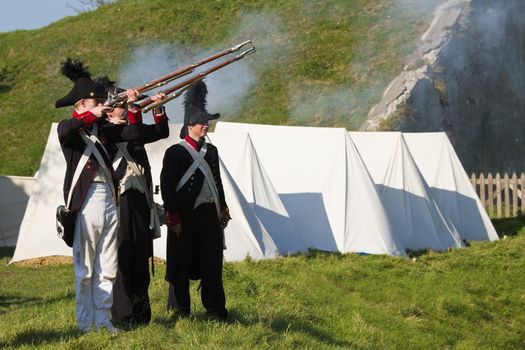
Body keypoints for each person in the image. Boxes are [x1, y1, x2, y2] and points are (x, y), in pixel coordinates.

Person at [56, 58, 141, 334]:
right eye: (95, 102)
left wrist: (131, 105)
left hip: (109, 200)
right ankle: (85, 324)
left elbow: (134, 132)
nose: (100, 105)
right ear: (81, 105)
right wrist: (95, 115)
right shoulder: (69, 129)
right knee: (85, 270)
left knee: (108, 265)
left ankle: (103, 320)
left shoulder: (102, 130)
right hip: (87, 201)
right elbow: (69, 128)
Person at [97, 77, 170, 327]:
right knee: (122, 257)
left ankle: (141, 312)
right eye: (121, 104)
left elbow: (161, 132)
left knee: (140, 255)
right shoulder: (104, 130)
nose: (126, 108)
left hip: (140, 202)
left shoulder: (130, 126)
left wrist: (158, 107)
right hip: (119, 201)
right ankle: (122, 313)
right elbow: (131, 132)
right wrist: (134, 109)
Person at [160, 80, 231, 320]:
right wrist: (173, 217)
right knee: (181, 262)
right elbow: (168, 189)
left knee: (213, 263)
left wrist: (222, 206)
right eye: (202, 122)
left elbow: (217, 181)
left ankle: (216, 309)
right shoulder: (176, 152)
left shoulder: (211, 151)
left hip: (208, 214)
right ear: (190, 125)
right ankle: (179, 310)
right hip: (185, 215)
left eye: (206, 122)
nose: (205, 126)